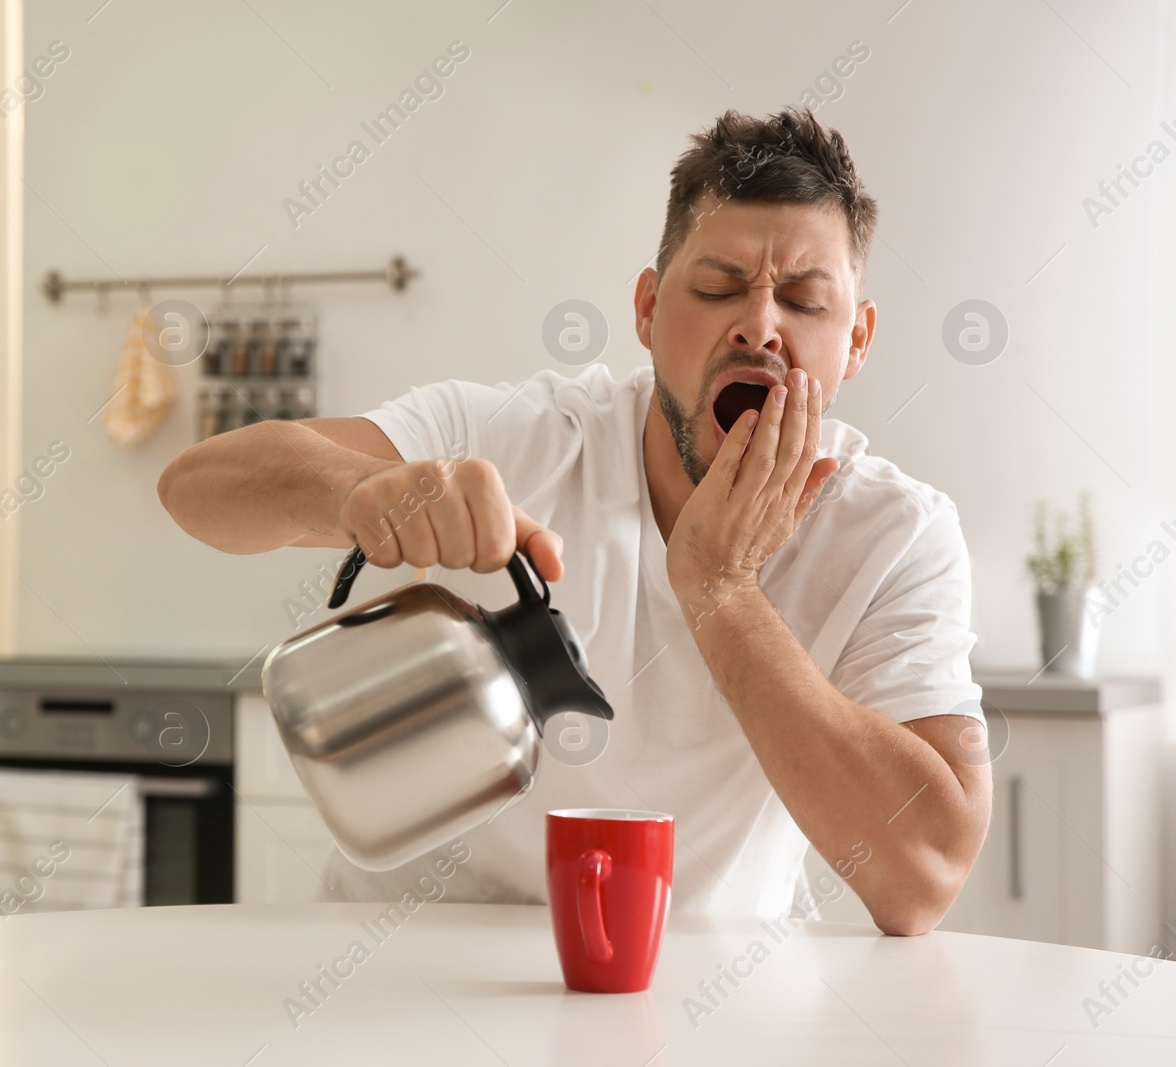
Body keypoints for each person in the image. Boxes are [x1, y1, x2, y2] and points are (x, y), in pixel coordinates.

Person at [159, 107, 992, 936]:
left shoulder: (897, 534)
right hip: (402, 968)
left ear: (857, 340)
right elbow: (195, 487)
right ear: (648, 308)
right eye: (717, 287)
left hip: (703, 994)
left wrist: (721, 589)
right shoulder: (515, 437)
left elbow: (921, 876)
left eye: (806, 302)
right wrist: (355, 491)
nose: (760, 325)